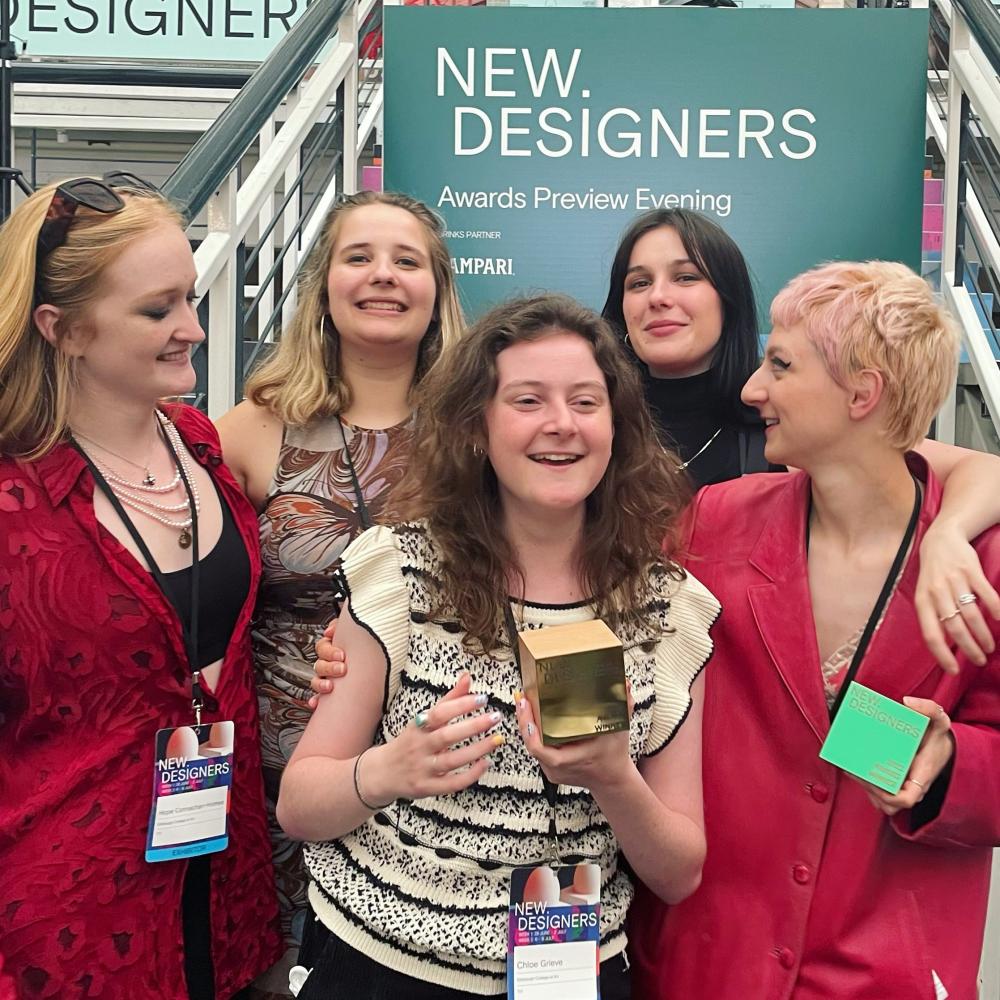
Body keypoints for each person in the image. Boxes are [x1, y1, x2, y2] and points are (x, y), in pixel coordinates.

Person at [277, 294, 720, 998]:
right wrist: (390, 769)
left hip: (570, 971)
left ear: (617, 426)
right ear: (477, 427)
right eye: (527, 400)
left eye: (585, 401)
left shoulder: (665, 608)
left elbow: (679, 870)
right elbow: (299, 804)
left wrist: (614, 778)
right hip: (381, 966)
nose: (561, 425)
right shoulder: (400, 572)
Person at [630, 261, 1000, 999]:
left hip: (880, 970)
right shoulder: (713, 523)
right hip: (709, 962)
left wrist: (948, 762)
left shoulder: (982, 564)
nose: (751, 389)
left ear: (863, 393)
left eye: (782, 364)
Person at [0, 176, 280, 998]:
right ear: (63, 329)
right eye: (158, 311)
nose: (193, 328)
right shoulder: (14, 507)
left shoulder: (199, 445)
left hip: (227, 903)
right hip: (67, 931)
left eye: (189, 299)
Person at [215, 190, 464, 992]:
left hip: (435, 780)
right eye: (359, 257)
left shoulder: (484, 430)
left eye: (407, 260)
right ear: (324, 282)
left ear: (439, 288)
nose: (382, 276)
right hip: (276, 778)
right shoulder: (251, 428)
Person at [602, 208, 772, 486]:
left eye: (685, 277)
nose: (657, 297)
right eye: (640, 283)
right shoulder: (593, 425)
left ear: (728, 300)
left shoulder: (779, 426)